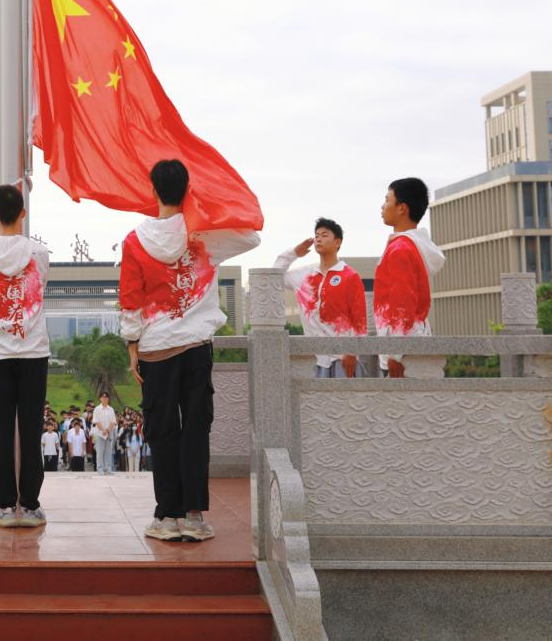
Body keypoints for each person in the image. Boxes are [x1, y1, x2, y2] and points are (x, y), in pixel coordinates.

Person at [120, 159, 260, 543]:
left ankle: (168, 516)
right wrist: (207, 204)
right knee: (196, 429)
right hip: (196, 347)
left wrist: (132, 344)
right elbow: (251, 237)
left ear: (152, 190)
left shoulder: (135, 241)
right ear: (187, 191)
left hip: (156, 349)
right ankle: (195, 516)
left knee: (162, 431)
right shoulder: (205, 235)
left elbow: (131, 300)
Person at [0, 183, 51, 528]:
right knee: (31, 430)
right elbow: (39, 288)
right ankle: (30, 506)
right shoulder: (39, 254)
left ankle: (5, 506)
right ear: (23, 213)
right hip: (34, 352)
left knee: (2, 431)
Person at [273, 218, 368, 377]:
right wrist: (293, 253)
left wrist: (352, 352)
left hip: (342, 358)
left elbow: (359, 319)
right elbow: (273, 276)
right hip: (314, 358)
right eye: (316, 236)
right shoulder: (304, 275)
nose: (318, 239)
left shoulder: (349, 276)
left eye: (324, 235)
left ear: (337, 242)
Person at [374, 178, 446, 377]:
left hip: (403, 354)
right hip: (412, 342)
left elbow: (402, 303)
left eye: (387, 200)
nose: (382, 206)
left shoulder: (400, 249)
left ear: (401, 208)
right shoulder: (412, 245)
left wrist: (396, 355)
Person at [92, 392, 118, 474]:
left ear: (108, 399)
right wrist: (103, 430)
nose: (104, 399)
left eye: (106, 397)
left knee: (108, 451)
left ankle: (108, 468)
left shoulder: (111, 409)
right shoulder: (97, 409)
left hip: (109, 432)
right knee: (100, 451)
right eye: (103, 397)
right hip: (100, 433)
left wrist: (108, 431)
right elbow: (96, 421)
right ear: (100, 398)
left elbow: (113, 422)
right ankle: (100, 468)